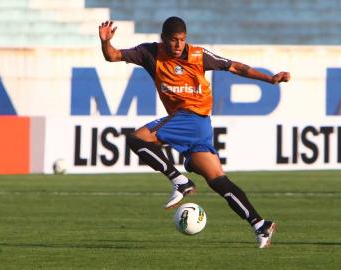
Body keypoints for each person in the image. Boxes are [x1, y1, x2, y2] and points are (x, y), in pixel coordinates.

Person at [98, 17, 290, 248]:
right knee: (218, 180)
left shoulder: (199, 55)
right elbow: (113, 56)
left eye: (182, 40)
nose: (179, 45)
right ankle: (260, 225)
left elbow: (236, 67)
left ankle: (179, 181)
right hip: (195, 125)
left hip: (192, 117)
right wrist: (105, 42)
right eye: (174, 40)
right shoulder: (149, 53)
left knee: (136, 139)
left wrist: (269, 79)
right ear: (163, 39)